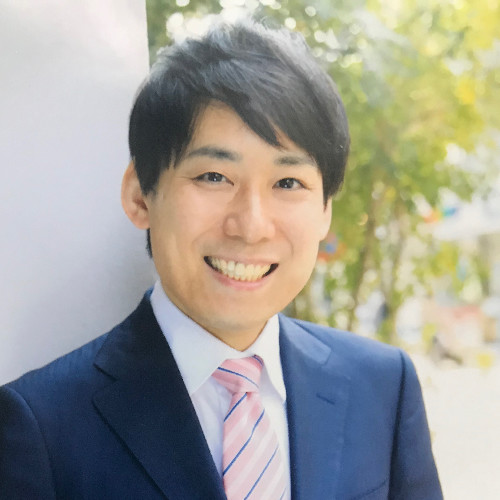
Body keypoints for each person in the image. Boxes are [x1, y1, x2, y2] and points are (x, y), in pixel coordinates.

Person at [0, 18, 442, 499]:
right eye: (214, 177)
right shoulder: (40, 428)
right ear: (140, 195)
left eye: (288, 183)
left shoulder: (383, 387)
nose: (251, 226)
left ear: (324, 212)